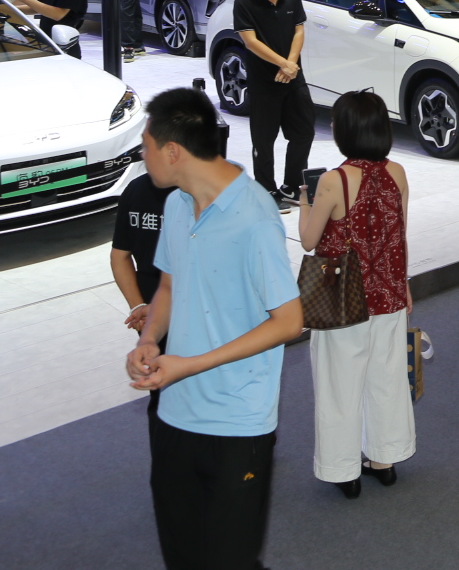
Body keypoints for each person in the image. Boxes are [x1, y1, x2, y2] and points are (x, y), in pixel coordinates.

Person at [126, 86, 302, 570]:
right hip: (174, 414)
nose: (142, 156)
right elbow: (169, 285)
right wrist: (149, 338)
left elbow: (290, 321)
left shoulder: (255, 217)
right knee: (183, 556)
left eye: (145, 146)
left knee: (230, 560)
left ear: (172, 151)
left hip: (236, 423)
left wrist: (190, 364)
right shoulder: (177, 205)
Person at [300, 91, 415, 496]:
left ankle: (343, 471)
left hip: (342, 299)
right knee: (386, 378)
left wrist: (304, 201)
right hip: (388, 294)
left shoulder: (333, 181)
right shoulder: (397, 172)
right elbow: (398, 234)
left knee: (339, 385)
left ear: (346, 130)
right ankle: (384, 460)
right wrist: (404, 285)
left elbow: (309, 240)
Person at [233, 0, 315, 206]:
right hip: (263, 81)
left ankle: (292, 186)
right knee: (263, 141)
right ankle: (266, 191)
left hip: (293, 78)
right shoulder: (244, 3)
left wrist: (290, 65)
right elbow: (250, 42)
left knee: (303, 132)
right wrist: (283, 64)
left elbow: (299, 31)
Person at [110, 152, 173, 423]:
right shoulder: (193, 195)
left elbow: (119, 257)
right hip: (171, 308)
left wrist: (139, 306)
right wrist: (140, 307)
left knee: (160, 392)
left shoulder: (135, 188)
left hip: (151, 306)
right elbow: (120, 256)